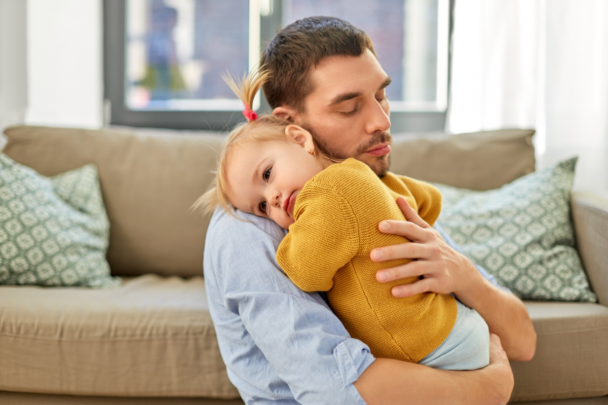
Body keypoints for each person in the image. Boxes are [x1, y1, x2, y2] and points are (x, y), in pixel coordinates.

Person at [203, 16, 536, 404]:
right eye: (349, 108)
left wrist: (464, 277)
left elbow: (523, 341)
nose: (381, 121)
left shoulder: (375, 195)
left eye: (380, 96)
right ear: (293, 126)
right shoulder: (249, 227)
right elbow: (334, 390)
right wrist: (486, 390)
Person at [196, 68, 490, 371]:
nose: (272, 200)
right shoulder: (362, 173)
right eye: (261, 208)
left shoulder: (326, 196)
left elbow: (306, 273)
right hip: (454, 323)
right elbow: (429, 199)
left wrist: (290, 240)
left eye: (268, 174)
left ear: (300, 140)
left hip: (434, 347)